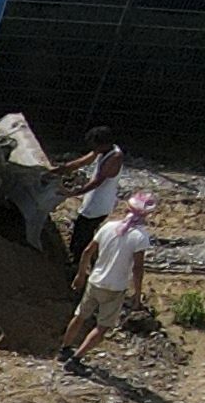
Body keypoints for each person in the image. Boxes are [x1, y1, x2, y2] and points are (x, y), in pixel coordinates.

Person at [58, 190, 158, 371]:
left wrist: (81, 274)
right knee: (103, 326)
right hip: (115, 287)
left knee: (80, 316)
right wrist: (137, 294)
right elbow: (138, 268)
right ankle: (76, 359)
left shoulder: (108, 226)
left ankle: (64, 349)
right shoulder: (140, 237)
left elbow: (88, 251)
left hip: (95, 281)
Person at [52, 137, 130, 267]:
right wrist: (56, 171)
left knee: (82, 235)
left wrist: (73, 193)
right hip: (93, 201)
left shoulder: (114, 157)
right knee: (83, 231)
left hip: (99, 204)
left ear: (103, 144)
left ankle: (77, 263)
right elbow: (80, 163)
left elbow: (97, 182)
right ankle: (87, 259)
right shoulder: (104, 151)